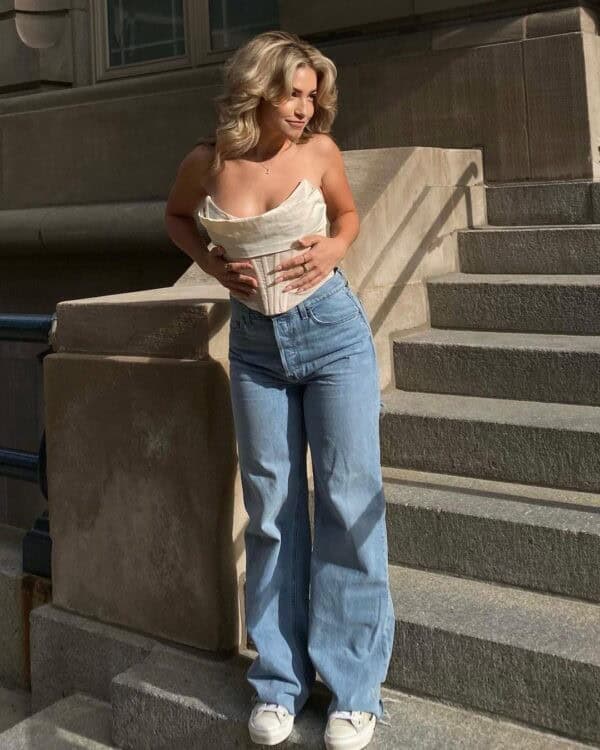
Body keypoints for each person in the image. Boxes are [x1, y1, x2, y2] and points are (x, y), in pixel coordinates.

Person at [164, 30, 395, 750]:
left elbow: (348, 216)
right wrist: (210, 262)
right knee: (270, 510)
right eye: (291, 93)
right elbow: (174, 219)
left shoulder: (320, 154)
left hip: (333, 339)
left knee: (349, 497)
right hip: (257, 349)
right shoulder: (208, 163)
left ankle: (354, 691)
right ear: (257, 90)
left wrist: (333, 246)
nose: (303, 107)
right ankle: (278, 683)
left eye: (310, 95)